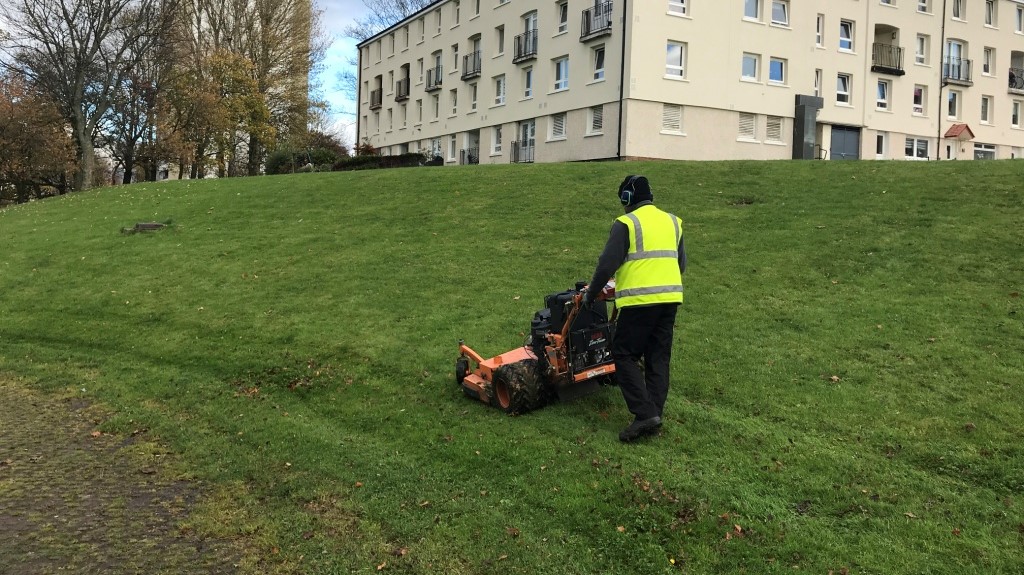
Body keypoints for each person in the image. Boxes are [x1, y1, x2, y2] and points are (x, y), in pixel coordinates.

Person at [581, 175, 686, 442]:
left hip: (639, 302)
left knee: (624, 354)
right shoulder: (673, 222)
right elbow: (680, 264)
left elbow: (606, 265)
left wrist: (590, 295)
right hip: (670, 299)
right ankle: (654, 414)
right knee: (658, 357)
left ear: (626, 198)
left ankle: (644, 414)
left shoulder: (626, 223)